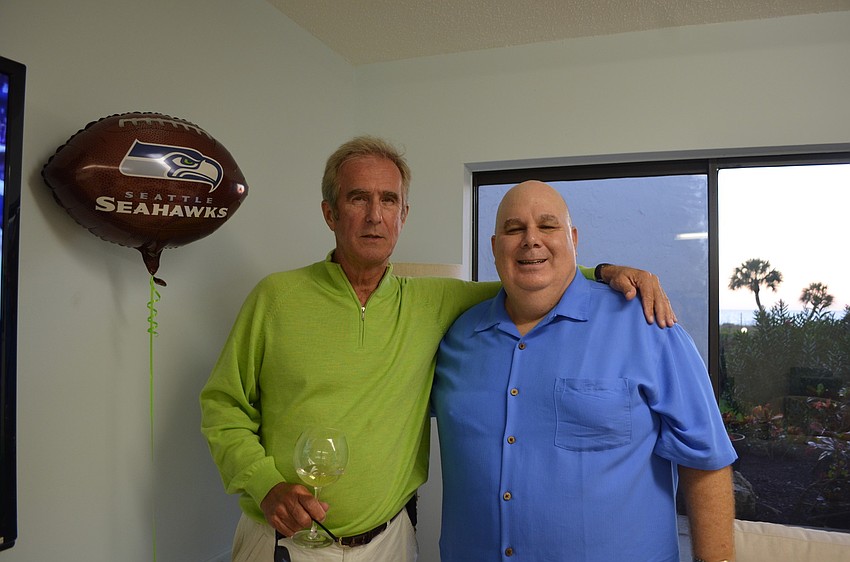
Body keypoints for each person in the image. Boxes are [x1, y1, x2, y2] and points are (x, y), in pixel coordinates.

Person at [200, 137, 677, 562]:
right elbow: (223, 407)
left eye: (389, 200)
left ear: (403, 216)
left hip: (389, 544)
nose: (374, 214)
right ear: (330, 212)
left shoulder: (432, 300)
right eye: (358, 199)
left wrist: (609, 271)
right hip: (283, 544)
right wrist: (265, 486)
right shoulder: (276, 298)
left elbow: (530, 275)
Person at [432, 180, 737, 562]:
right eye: (514, 229)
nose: (531, 240)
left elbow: (705, 461)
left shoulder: (647, 325)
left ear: (573, 239)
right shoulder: (456, 338)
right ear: (495, 247)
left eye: (547, 226)